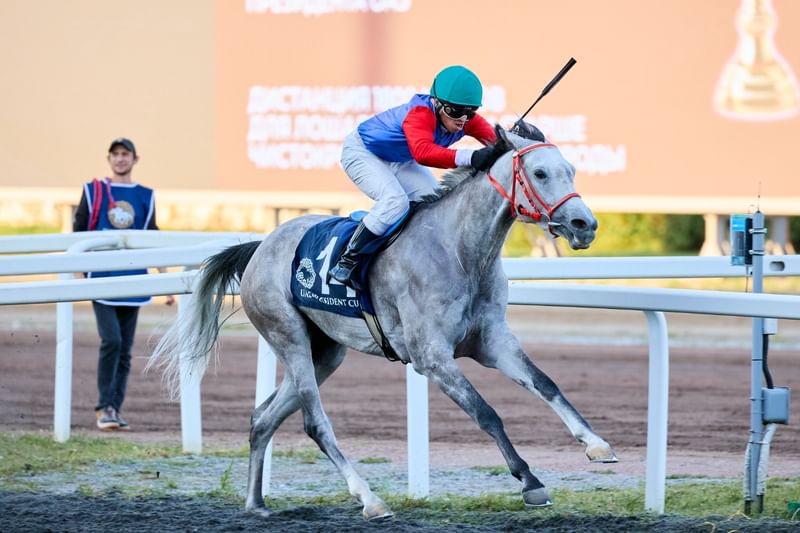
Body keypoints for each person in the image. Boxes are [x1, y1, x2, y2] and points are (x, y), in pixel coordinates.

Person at [328, 65, 509, 288]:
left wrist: (520, 141)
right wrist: (471, 157)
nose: (463, 119)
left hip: (399, 159)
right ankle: (347, 261)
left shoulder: (464, 118)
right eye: (455, 111)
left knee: (435, 203)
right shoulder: (419, 114)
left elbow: (500, 144)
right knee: (395, 202)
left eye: (470, 112)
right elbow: (423, 153)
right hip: (362, 152)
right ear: (437, 103)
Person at [72, 137, 175, 431]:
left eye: (125, 154)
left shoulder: (146, 196)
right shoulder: (93, 191)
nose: (120, 158)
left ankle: (114, 408)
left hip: (133, 280)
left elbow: (152, 238)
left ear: (134, 159)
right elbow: (78, 233)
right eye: (115, 154)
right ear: (109, 159)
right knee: (112, 341)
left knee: (126, 350)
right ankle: (103, 406)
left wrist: (166, 281)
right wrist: (78, 275)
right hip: (100, 279)